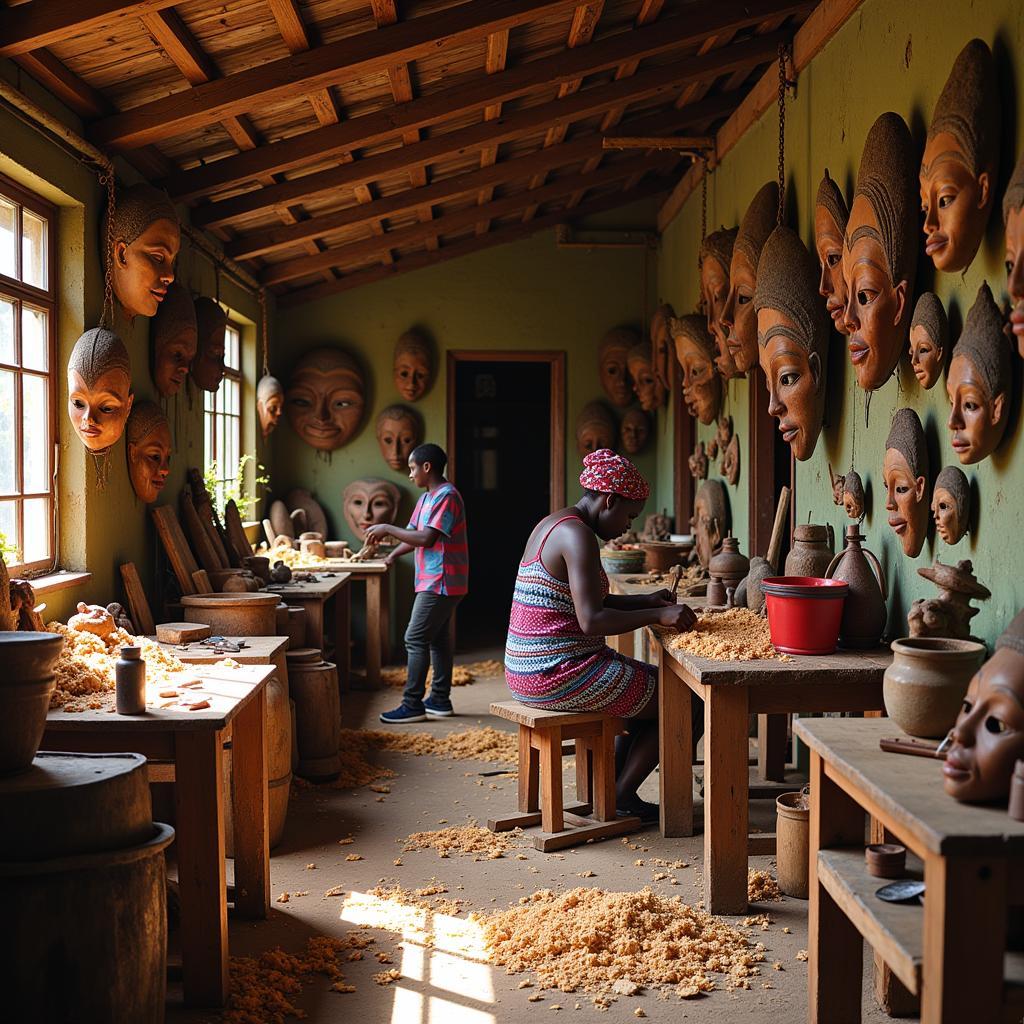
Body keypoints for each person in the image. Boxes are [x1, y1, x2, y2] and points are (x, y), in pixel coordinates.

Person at [504, 449, 698, 822]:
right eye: (628, 515)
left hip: (529, 666)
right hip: (556, 671)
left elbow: (590, 600)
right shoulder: (578, 536)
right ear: (609, 500)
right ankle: (622, 795)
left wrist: (647, 599)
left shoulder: (555, 523)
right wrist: (658, 613)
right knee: (685, 700)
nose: (627, 525)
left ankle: (611, 789)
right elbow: (592, 619)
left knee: (657, 689)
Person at [368, 443, 468, 724]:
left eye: (413, 468)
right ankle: (439, 699)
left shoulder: (447, 496)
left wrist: (386, 527)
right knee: (437, 640)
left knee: (414, 638)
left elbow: (427, 539)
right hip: (433, 580)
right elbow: (412, 534)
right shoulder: (426, 499)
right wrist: (391, 555)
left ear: (427, 467)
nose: (410, 474)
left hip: (442, 581)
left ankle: (412, 704)